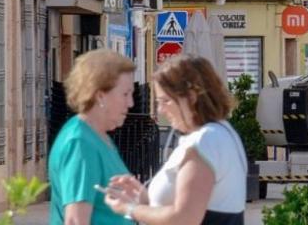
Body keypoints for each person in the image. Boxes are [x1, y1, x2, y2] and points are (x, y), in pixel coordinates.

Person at [102, 55, 247, 225]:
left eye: (165, 101)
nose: (161, 110)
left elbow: (185, 218)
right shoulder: (221, 133)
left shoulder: (206, 140)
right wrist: (144, 198)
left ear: (191, 97)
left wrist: (130, 208)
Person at [49, 49, 136, 225]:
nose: (131, 103)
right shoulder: (80, 143)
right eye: (125, 94)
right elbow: (75, 220)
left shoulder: (98, 136)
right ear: (100, 95)